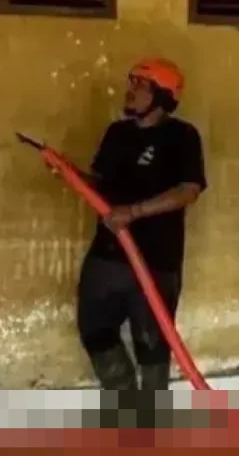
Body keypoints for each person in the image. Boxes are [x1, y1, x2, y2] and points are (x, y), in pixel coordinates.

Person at [76, 58, 207, 390]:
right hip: (107, 256)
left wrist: (132, 212)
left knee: (152, 345)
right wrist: (68, 173)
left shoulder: (182, 136)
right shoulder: (116, 133)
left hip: (155, 261)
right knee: (95, 331)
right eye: (131, 82)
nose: (130, 90)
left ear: (162, 96)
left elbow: (188, 191)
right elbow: (99, 183)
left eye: (140, 85)